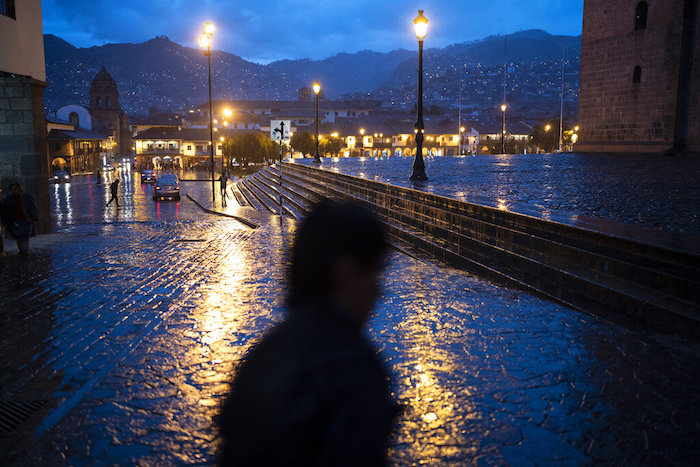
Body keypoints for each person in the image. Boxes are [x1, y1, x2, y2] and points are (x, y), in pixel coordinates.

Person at [218, 200, 396, 466]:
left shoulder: (264, 355)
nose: (379, 291)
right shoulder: (352, 366)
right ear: (345, 272)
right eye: (374, 275)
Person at [1, 183, 39, 256]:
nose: (15, 191)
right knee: (18, 236)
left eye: (16, 188)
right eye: (13, 189)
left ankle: (24, 251)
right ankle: (22, 250)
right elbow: (4, 211)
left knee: (25, 235)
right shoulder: (8, 199)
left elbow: (31, 207)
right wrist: (5, 221)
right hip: (14, 220)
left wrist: (33, 216)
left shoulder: (26, 197)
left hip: (25, 219)